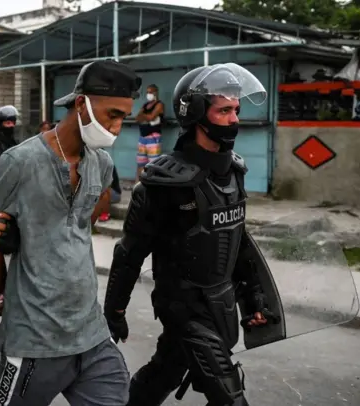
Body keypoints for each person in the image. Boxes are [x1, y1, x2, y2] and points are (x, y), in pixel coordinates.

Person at [103, 63, 275, 406]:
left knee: (163, 374)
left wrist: (254, 298)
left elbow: (236, 242)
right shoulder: (163, 184)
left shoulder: (234, 173)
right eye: (223, 110)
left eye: (236, 110)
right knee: (230, 398)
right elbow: (130, 253)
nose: (234, 119)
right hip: (184, 308)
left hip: (221, 304)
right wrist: (115, 310)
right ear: (196, 114)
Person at [0, 60, 141, 406]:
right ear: (81, 104)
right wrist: (10, 294)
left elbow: (82, 225)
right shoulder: (20, 161)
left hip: (91, 335)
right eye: (112, 114)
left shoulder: (102, 165)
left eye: (123, 116)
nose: (117, 126)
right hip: (33, 341)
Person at [134, 84, 164, 184]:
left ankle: (153, 185)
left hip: (153, 138)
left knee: (153, 164)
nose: (148, 94)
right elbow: (137, 118)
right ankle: (138, 184)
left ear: (155, 93)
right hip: (142, 137)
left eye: (150, 92)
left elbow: (151, 117)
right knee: (140, 163)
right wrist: (145, 117)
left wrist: (144, 116)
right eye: (147, 92)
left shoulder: (159, 104)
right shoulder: (145, 105)